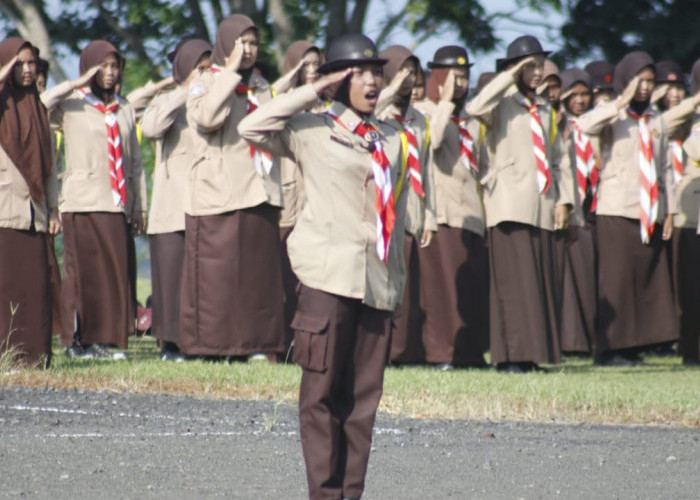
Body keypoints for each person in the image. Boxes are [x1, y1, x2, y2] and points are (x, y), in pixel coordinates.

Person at [239, 33, 408, 500]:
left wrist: (397, 284)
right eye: (359, 72)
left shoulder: (394, 139)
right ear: (339, 78)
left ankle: (351, 494)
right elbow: (251, 126)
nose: (373, 80)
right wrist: (314, 88)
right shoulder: (312, 129)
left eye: (377, 71)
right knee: (320, 400)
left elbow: (400, 216)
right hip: (326, 280)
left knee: (362, 405)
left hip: (375, 285)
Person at [466, 35, 574, 373]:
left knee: (537, 284)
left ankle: (531, 354)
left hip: (542, 203)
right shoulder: (502, 102)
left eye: (540, 64)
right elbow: (474, 107)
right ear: (514, 69)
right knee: (513, 286)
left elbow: (559, 159)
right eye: (531, 66)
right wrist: (508, 75)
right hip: (509, 202)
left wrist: (564, 200)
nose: (538, 71)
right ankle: (510, 356)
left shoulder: (544, 108)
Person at [181, 14, 284, 360]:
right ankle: (212, 345)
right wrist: (230, 73)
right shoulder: (205, 80)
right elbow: (206, 118)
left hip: (259, 190)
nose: (250, 50)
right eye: (243, 43)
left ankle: (254, 344)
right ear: (227, 44)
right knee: (217, 278)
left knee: (255, 277)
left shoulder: (261, 85)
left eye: (254, 43)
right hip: (217, 193)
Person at [47, 40, 147, 360]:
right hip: (81, 200)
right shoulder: (72, 104)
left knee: (112, 274)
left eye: (114, 66)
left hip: (116, 200)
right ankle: (77, 341)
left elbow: (134, 163)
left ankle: (105, 339)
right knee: (82, 274)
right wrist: (73, 84)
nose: (109, 72)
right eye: (101, 66)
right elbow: (41, 105)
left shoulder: (125, 107)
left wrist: (139, 205)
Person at [576, 51, 677, 365]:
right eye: (639, 80)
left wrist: (670, 210)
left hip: (648, 211)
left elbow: (665, 169)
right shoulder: (612, 114)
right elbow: (584, 126)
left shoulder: (656, 120)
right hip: (616, 208)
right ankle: (611, 348)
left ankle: (636, 346)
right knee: (617, 281)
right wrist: (621, 101)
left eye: (649, 81)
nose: (644, 87)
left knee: (646, 280)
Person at [414, 46, 489, 369]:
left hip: (471, 213)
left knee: (471, 291)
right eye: (453, 77)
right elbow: (433, 140)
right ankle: (442, 354)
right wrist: (444, 101)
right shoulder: (425, 110)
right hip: (443, 211)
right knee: (442, 291)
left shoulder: (469, 117)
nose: (460, 84)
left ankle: (470, 353)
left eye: (465, 76)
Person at [140, 39, 213, 362]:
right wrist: (186, 90)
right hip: (171, 207)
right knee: (171, 277)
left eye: (209, 69)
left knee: (203, 281)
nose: (206, 75)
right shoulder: (166, 100)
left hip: (207, 203)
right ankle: (170, 344)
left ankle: (202, 343)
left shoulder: (213, 102)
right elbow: (151, 126)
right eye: (200, 68)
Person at [0, 38, 59, 368]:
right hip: (5, 212)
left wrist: (53, 209)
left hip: (35, 213)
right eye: (19, 63)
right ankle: (5, 354)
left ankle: (35, 356)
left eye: (31, 63)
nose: (26, 69)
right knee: (5, 287)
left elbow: (48, 165)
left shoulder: (39, 107)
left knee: (35, 289)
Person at [374, 45, 435, 365]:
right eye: (402, 71)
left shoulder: (419, 120)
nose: (409, 79)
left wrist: (431, 217)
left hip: (412, 210)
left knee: (405, 284)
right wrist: (390, 91)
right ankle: (379, 349)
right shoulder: (378, 112)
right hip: (382, 208)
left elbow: (425, 170)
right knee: (380, 278)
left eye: (413, 72)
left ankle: (402, 351)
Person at [271, 40, 323, 360]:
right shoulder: (285, 100)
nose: (313, 71)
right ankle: (281, 344)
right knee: (284, 276)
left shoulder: (325, 105)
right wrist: (291, 80)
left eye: (317, 64)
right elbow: (265, 103)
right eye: (306, 65)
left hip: (317, 198)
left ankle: (309, 345)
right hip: (288, 197)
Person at [660, 59, 700, 365]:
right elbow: (662, 126)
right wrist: (695, 102)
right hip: (692, 215)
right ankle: (690, 348)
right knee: (691, 287)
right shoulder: (690, 116)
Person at [557, 68, 598, 354]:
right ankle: (568, 342)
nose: (580, 101)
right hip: (568, 208)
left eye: (585, 94)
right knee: (567, 281)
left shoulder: (593, 126)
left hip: (593, 211)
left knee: (588, 277)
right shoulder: (559, 126)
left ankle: (590, 340)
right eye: (574, 95)